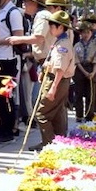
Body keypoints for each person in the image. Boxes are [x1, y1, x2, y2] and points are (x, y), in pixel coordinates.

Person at [30, 10, 75, 151]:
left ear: (60, 27)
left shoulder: (62, 45)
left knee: (41, 114)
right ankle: (58, 142)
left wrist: (53, 87)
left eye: (52, 26)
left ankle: (49, 144)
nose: (50, 28)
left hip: (57, 80)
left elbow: (60, 68)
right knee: (55, 114)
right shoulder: (61, 41)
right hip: (56, 79)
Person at [0, 0, 24, 143]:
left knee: (5, 96)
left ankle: (7, 130)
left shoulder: (14, 13)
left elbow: (19, 38)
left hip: (7, 60)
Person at [73, 22, 96, 121]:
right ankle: (79, 115)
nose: (86, 34)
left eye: (88, 32)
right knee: (78, 93)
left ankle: (89, 114)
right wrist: (84, 72)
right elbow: (76, 61)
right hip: (80, 69)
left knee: (90, 94)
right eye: (83, 32)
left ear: (91, 33)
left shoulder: (95, 45)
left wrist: (93, 72)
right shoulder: (77, 45)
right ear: (80, 33)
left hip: (91, 68)